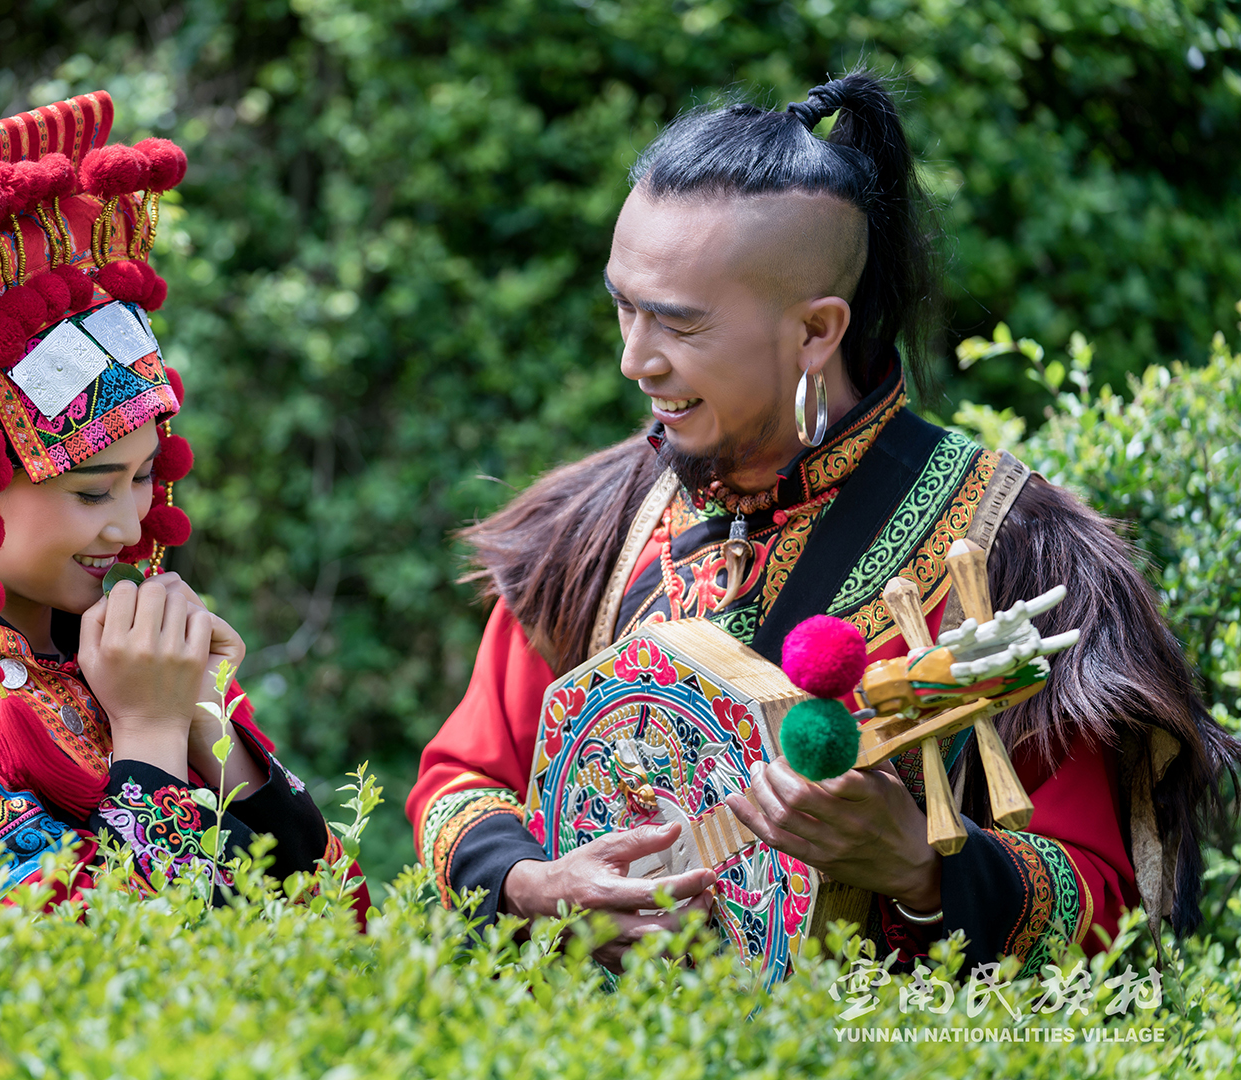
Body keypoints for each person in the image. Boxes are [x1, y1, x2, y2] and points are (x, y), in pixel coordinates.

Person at [408, 72, 1236, 972]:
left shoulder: (1017, 555)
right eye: (623, 306)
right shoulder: (593, 527)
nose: (632, 359)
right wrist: (532, 886)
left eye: (676, 326)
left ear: (815, 330)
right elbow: (464, 776)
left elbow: (1113, 909)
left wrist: (924, 870)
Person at [0, 92, 352, 909]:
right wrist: (148, 734)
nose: (129, 524)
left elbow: (343, 924)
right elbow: (98, 969)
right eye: (91, 489)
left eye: (144, 478)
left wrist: (206, 723)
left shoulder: (131, 672)